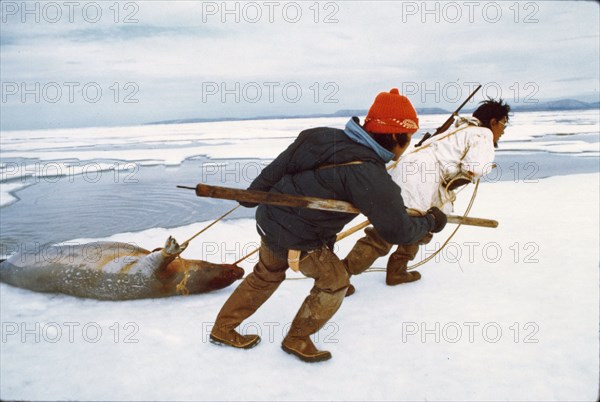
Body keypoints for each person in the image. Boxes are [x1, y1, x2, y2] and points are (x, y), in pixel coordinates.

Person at [209, 88, 447, 363]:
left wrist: (254, 194)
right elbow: (397, 230)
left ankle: (222, 329)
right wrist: (430, 222)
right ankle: (297, 339)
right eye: (409, 137)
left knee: (266, 275)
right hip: (299, 237)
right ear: (396, 135)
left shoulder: (319, 136)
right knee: (335, 281)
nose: (408, 144)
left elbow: (277, 169)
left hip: (269, 219)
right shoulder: (370, 174)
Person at [343, 98, 511, 291]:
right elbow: (475, 168)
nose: (503, 130)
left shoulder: (456, 130)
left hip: (409, 171)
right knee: (388, 232)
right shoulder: (482, 134)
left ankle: (397, 269)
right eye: (503, 123)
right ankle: (340, 277)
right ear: (493, 122)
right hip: (422, 178)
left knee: (422, 224)